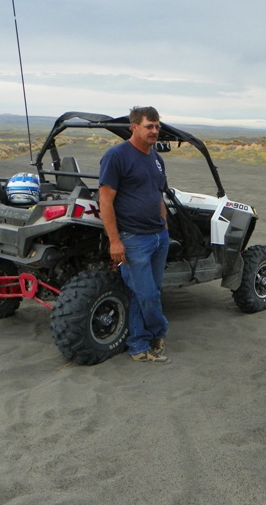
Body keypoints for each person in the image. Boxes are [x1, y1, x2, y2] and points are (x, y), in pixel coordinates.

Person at [99, 106, 171, 364]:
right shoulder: (117, 156)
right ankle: (160, 330)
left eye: (157, 126)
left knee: (150, 292)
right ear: (134, 127)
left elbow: (158, 193)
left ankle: (139, 345)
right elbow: (105, 201)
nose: (154, 131)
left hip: (158, 236)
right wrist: (115, 241)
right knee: (147, 294)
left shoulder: (156, 159)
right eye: (149, 126)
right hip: (133, 239)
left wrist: (163, 225)